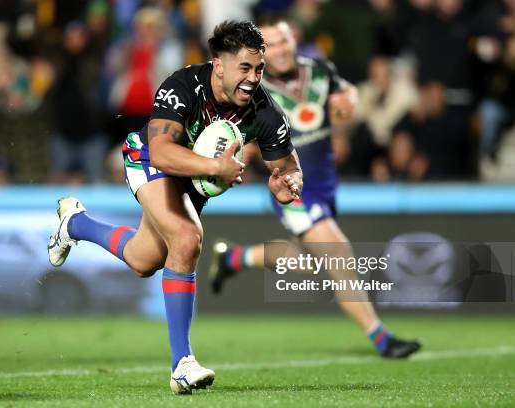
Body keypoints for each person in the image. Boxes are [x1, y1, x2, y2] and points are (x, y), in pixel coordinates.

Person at [48, 21, 302, 394]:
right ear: (219, 65)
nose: (253, 78)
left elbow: (289, 167)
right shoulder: (183, 86)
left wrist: (288, 184)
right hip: (150, 158)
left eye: (259, 69)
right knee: (186, 238)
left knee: (143, 260)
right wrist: (216, 167)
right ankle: (182, 363)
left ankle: (75, 224)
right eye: (245, 68)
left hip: (191, 181)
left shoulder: (264, 110)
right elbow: (164, 152)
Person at [209, 19, 421, 359]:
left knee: (307, 263)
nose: (277, 50)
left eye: (282, 41)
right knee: (339, 253)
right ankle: (382, 338)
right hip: (292, 187)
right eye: (269, 45)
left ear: (294, 41)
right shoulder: (252, 91)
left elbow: (346, 91)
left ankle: (235, 257)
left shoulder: (319, 70)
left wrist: (348, 100)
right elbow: (237, 133)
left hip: (325, 185)